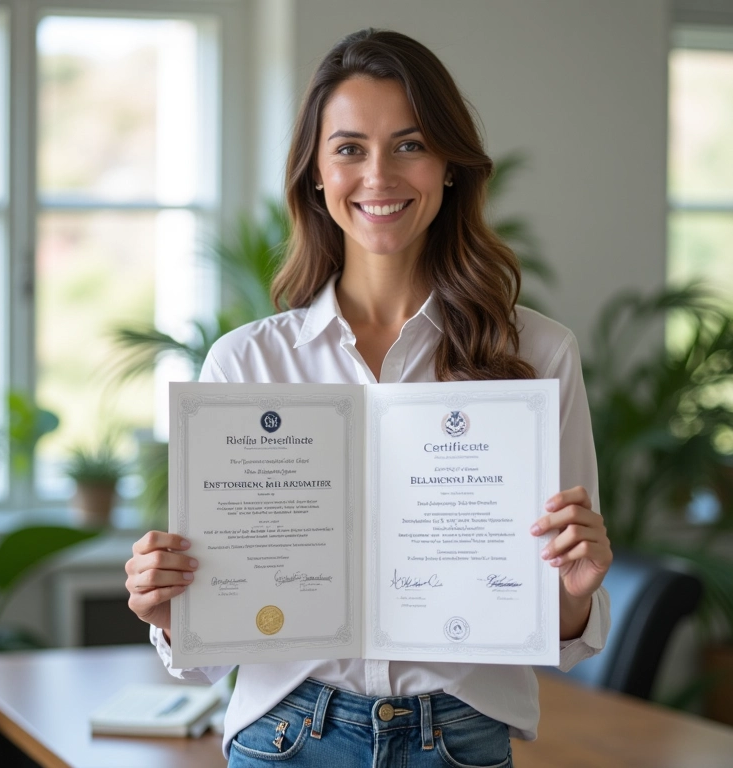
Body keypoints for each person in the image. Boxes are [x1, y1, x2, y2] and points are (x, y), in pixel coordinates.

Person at [125, 28, 612, 768]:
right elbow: (204, 658)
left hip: (460, 740)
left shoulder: (539, 355)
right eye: (349, 148)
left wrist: (574, 593)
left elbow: (562, 628)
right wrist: (169, 610)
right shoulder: (246, 362)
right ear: (317, 176)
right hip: (286, 739)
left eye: (410, 144)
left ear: (450, 167)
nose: (378, 175)